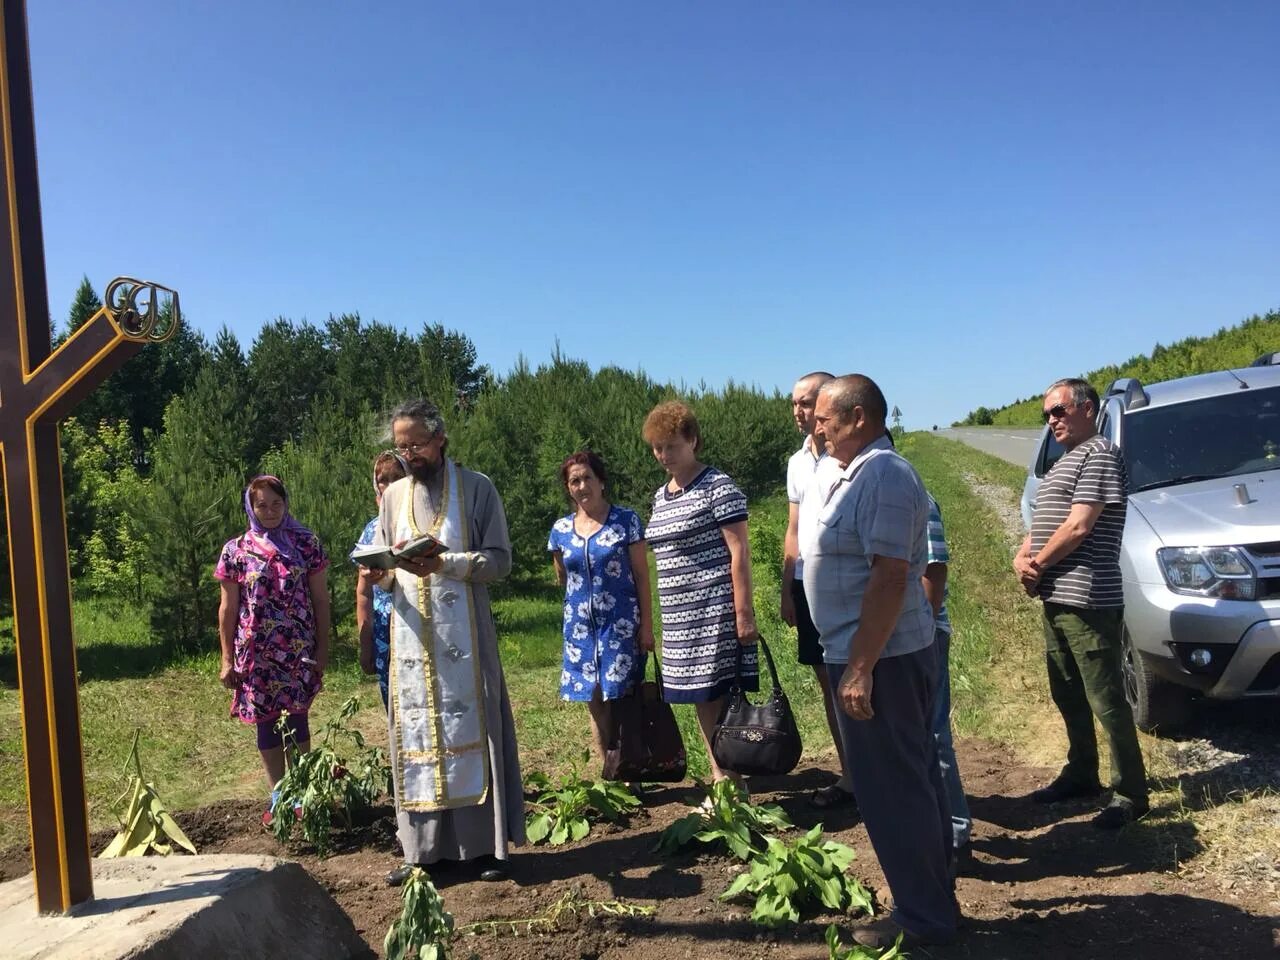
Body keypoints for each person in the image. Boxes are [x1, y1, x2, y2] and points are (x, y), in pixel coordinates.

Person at [804, 375, 956, 949]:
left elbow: (892, 575)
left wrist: (860, 666)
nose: (817, 427)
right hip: (871, 653)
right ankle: (931, 902)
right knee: (909, 782)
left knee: (894, 791)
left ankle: (923, 921)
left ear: (861, 418)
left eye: (826, 418)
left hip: (883, 659)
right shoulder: (852, 472)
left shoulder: (887, 475)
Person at [366, 398, 524, 884]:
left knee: (473, 735)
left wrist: (447, 564)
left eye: (415, 444)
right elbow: (390, 567)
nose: (407, 454)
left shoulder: (478, 489)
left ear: (439, 439)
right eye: (400, 446)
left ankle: (483, 850)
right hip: (412, 641)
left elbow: (500, 561)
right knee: (416, 737)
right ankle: (422, 853)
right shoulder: (392, 498)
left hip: (466, 639)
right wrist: (381, 575)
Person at [1013, 378, 1148, 828]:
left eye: (1059, 411)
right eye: (1047, 414)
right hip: (1056, 596)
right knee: (1066, 690)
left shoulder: (1100, 454)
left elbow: (1078, 526)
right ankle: (1082, 773)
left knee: (1106, 697)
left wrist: (1037, 566)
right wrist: (1023, 554)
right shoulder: (1062, 463)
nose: (1051, 420)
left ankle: (1130, 792)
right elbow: (1040, 523)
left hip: (1088, 596)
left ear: (1088, 409)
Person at [642, 400, 758, 784]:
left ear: (693, 440)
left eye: (671, 445)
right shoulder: (661, 495)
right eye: (658, 447)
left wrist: (744, 613)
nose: (664, 455)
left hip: (713, 610)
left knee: (718, 695)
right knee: (697, 696)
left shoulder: (717, 486)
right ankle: (719, 774)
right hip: (678, 618)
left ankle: (731, 777)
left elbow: (739, 550)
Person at [215, 475, 330, 808]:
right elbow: (228, 608)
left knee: (297, 717)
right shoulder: (236, 550)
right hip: (256, 655)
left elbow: (321, 600)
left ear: (286, 503)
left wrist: (323, 649)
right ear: (250, 508)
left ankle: (304, 797)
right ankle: (280, 796)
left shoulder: (306, 543)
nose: (270, 511)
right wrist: (226, 660)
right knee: (266, 722)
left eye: (276, 503)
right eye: (261, 505)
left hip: (298, 651)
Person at [547, 450, 655, 760]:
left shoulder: (626, 521)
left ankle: (631, 766)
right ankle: (609, 768)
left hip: (621, 626)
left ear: (602, 481)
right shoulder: (560, 531)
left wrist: (646, 626)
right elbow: (563, 577)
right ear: (568, 488)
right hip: (580, 631)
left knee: (621, 694)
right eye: (574, 481)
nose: (582, 486)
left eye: (587, 478)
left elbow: (641, 576)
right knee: (593, 697)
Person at [780, 370, 854, 809]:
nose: (799, 412)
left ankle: (878, 774)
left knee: (860, 676)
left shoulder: (847, 456)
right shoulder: (797, 462)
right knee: (827, 680)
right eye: (794, 404)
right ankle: (851, 775)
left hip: (847, 585)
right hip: (809, 585)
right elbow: (793, 528)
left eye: (806, 403)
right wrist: (788, 588)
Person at [923, 494, 972, 868]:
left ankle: (956, 837)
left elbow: (934, 569)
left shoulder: (911, 495)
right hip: (891, 641)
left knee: (934, 735)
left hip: (924, 636)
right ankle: (929, 832)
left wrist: (922, 634)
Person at [356, 450, 408, 709]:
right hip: (384, 633)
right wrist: (366, 645)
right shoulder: (371, 530)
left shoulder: (422, 524)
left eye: (397, 477)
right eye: (383, 479)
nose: (389, 485)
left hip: (418, 626)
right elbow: (364, 592)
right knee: (394, 705)